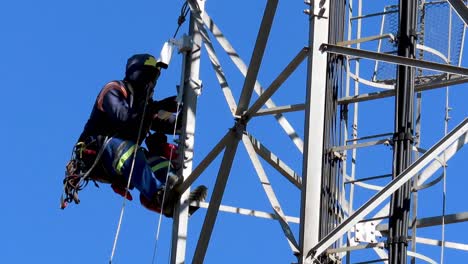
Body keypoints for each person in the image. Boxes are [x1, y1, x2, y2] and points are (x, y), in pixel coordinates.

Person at [63, 53, 206, 217]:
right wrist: (155, 108)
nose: (153, 83)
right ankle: (159, 194)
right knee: (127, 149)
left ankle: (173, 198)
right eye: (151, 76)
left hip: (125, 161)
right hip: (101, 155)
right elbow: (124, 116)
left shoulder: (143, 105)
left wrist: (187, 102)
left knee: (158, 163)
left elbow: (169, 123)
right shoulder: (114, 89)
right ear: (139, 74)